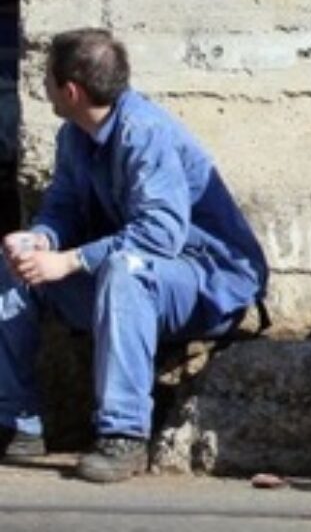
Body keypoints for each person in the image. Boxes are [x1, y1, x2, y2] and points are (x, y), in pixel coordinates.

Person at [0, 28, 269, 483]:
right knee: (12, 270)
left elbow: (160, 235)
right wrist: (41, 240)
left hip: (204, 283)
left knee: (125, 270)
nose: (41, 85)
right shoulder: (74, 136)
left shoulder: (144, 132)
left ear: (70, 91)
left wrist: (69, 261)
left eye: (46, 78)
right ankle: (17, 423)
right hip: (128, 280)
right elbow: (63, 206)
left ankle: (123, 435)